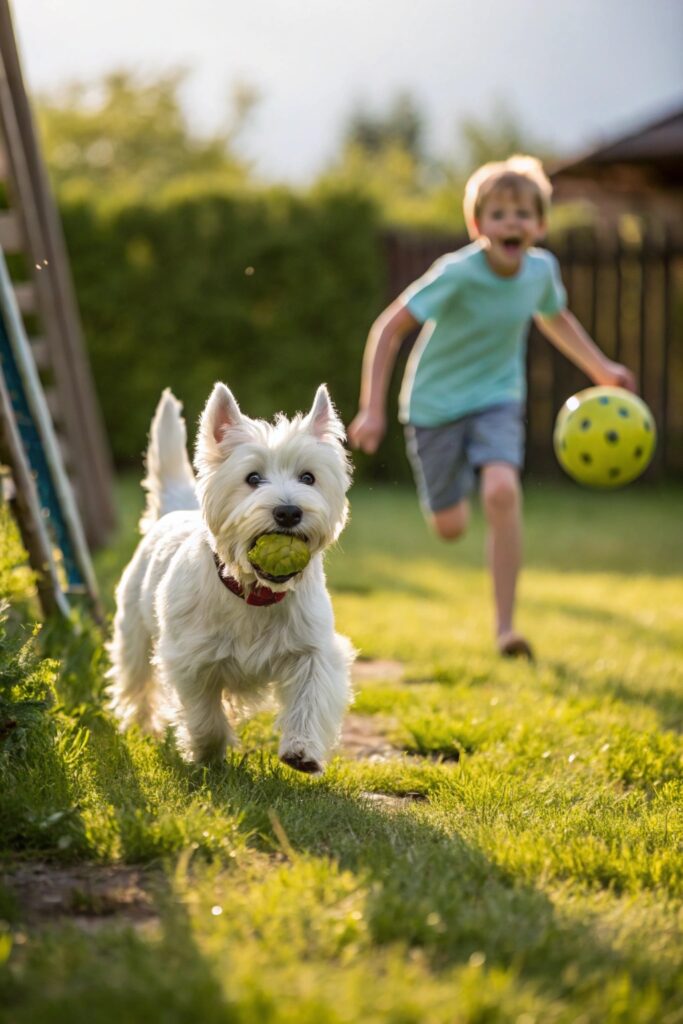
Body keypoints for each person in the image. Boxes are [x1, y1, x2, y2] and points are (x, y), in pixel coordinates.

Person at [347, 154, 635, 660]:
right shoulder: (457, 273)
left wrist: (601, 368)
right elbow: (389, 328)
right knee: (451, 527)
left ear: (540, 225)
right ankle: (451, 495)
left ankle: (506, 628)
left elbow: (555, 318)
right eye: (498, 214)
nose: (511, 224)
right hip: (434, 405)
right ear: (477, 225)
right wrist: (372, 409)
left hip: (498, 398)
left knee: (502, 491)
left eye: (522, 214)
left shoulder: (541, 271)